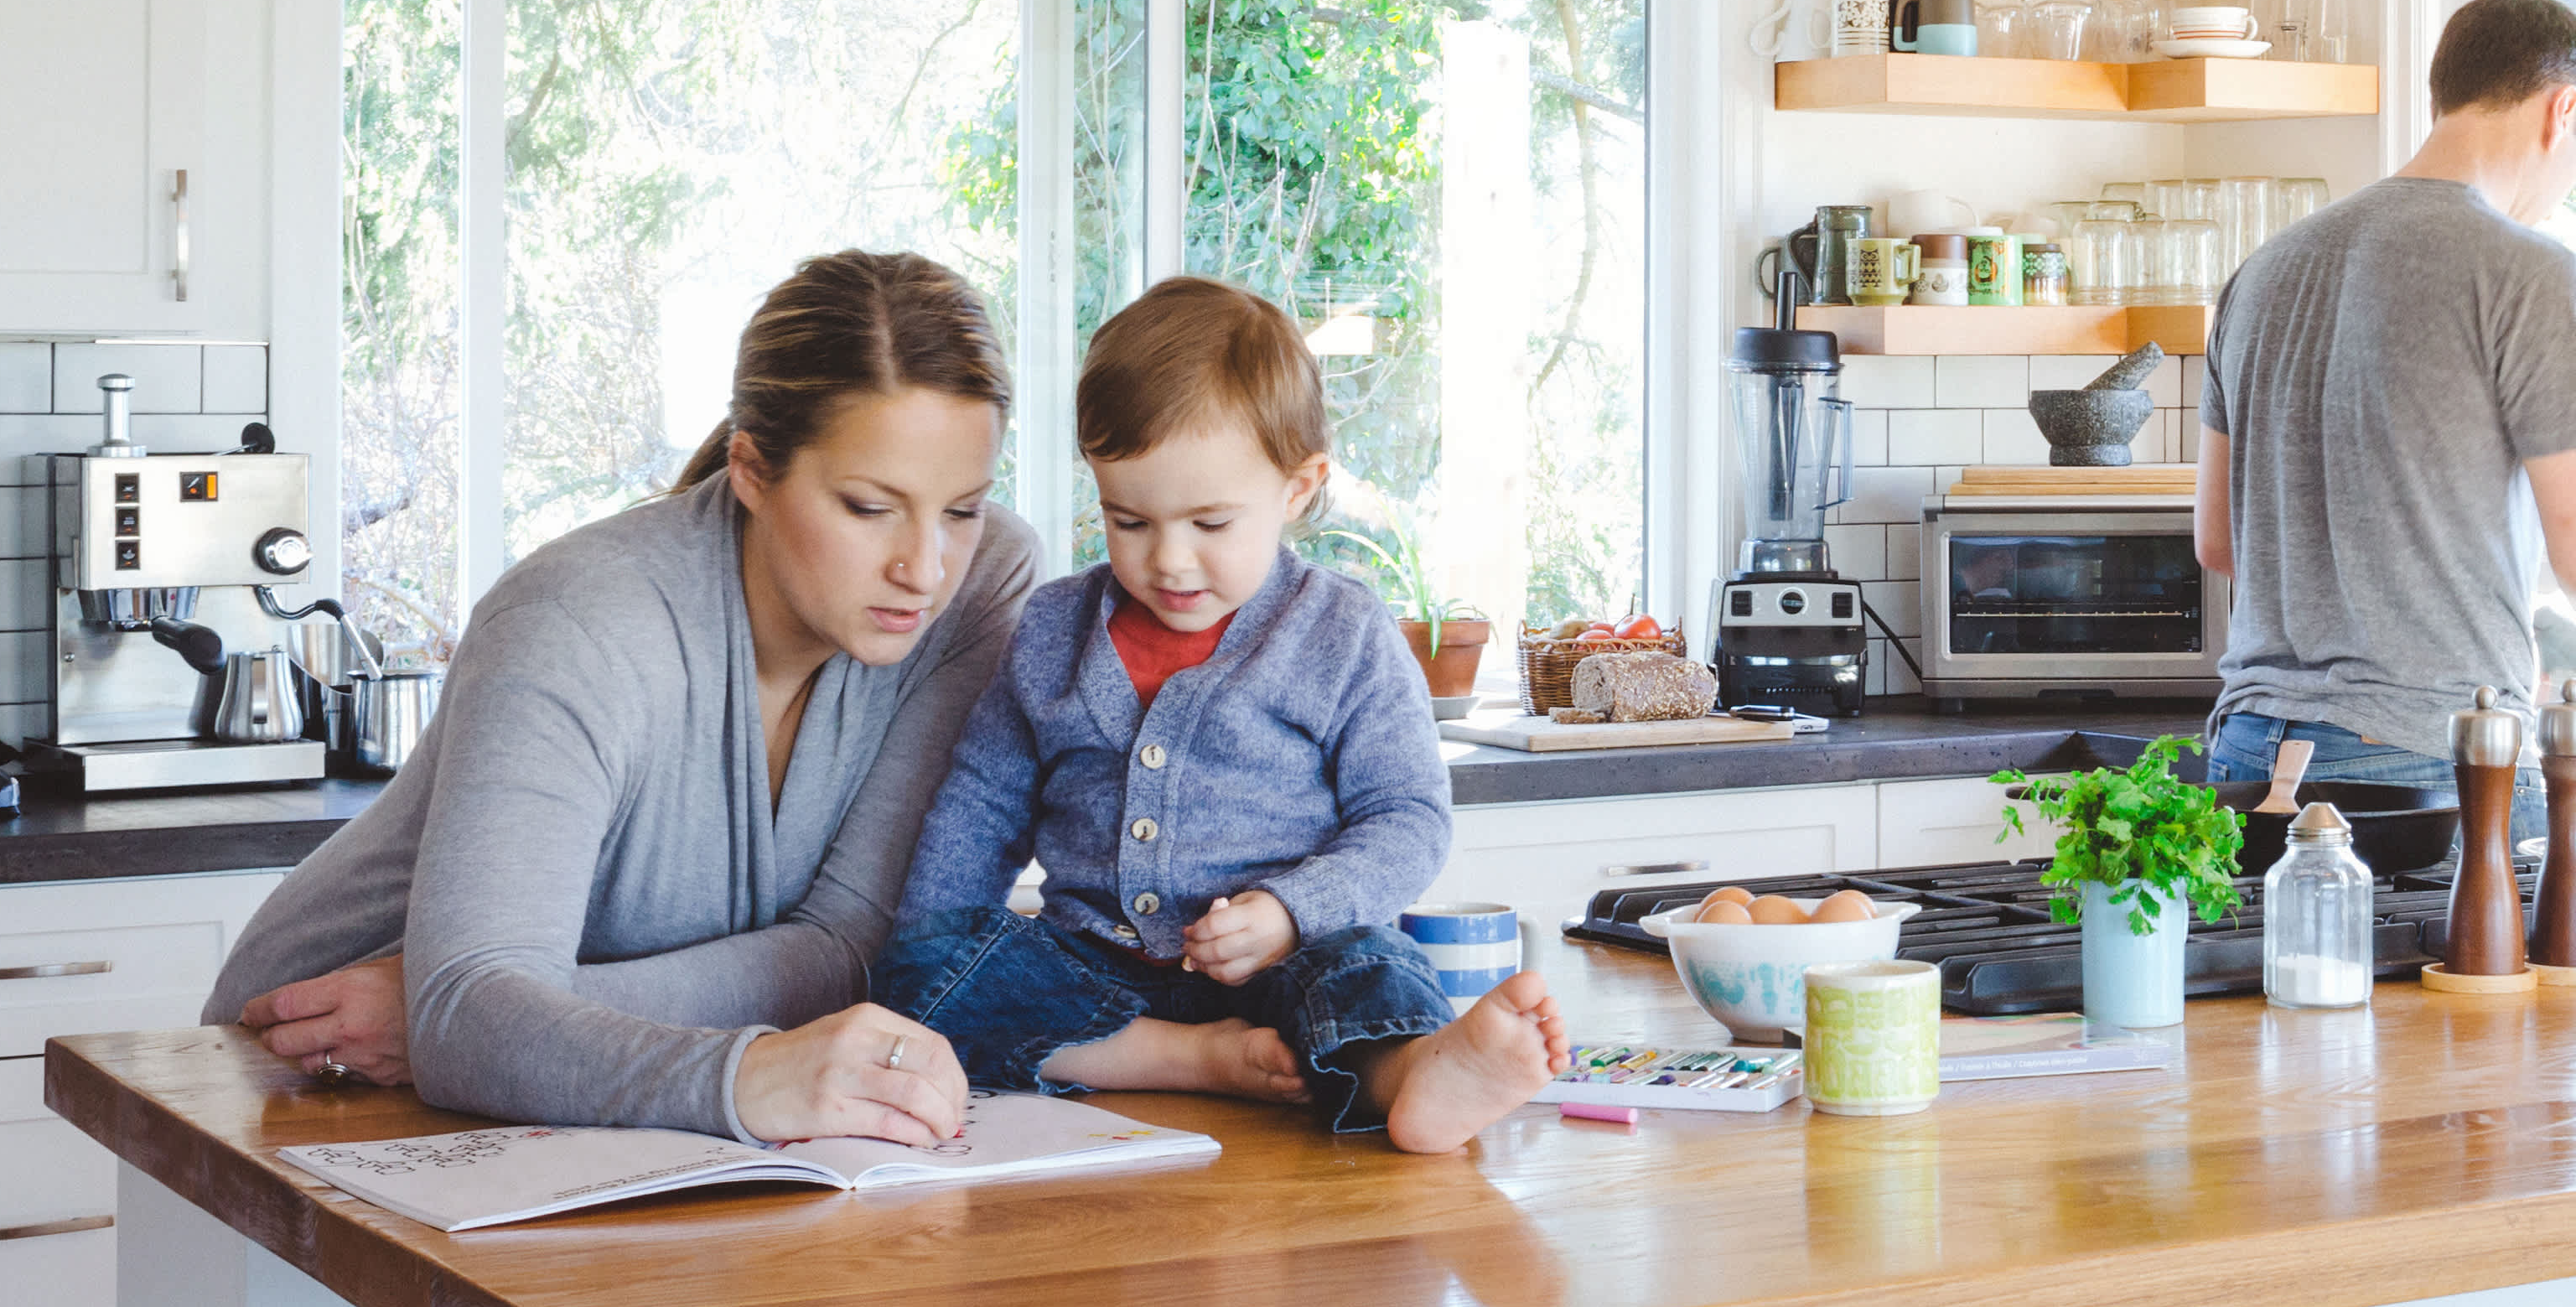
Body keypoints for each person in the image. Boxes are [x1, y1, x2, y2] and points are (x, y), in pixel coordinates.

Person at [209, 251, 1043, 1148]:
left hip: (559, 1086)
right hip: (310, 1072)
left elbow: (857, 948)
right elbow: (471, 1011)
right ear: (753, 469)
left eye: (960, 509)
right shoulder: (578, 617)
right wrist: (746, 1069)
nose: (924, 568)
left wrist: (475, 1012)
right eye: (868, 506)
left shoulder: (983, 581)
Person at [869, 277, 1568, 1154]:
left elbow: (1407, 819)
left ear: (1299, 487)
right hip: (1091, 972)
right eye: (1128, 521)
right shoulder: (1052, 630)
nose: (1167, 560)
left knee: (1372, 971)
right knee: (928, 972)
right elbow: (981, 804)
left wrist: (1290, 909)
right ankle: (1179, 1057)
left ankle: (1409, 1078)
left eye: (1209, 522)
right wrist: (934, 950)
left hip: (1292, 960)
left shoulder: (1342, 632)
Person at [2192, 0, 2576, 827]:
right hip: (2424, 762)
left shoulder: (2261, 272)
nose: (2565, 188)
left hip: (2246, 756)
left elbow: (2219, 540)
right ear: (2562, 112)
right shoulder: (2529, 273)